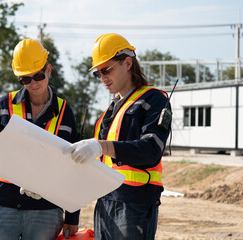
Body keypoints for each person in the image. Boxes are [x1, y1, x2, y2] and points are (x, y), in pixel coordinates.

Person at [64, 33, 171, 240]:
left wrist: (103, 146)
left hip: (136, 204)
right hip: (105, 202)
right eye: (98, 73)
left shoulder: (154, 100)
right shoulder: (109, 113)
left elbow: (151, 149)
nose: (103, 78)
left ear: (128, 63)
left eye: (107, 70)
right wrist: (45, 184)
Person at [0, 38, 80, 240]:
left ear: (48, 69)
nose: (33, 83)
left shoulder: (64, 111)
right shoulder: (4, 106)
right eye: (25, 79)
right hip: (2, 204)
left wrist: (72, 216)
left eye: (38, 75)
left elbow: (73, 167)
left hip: (46, 209)